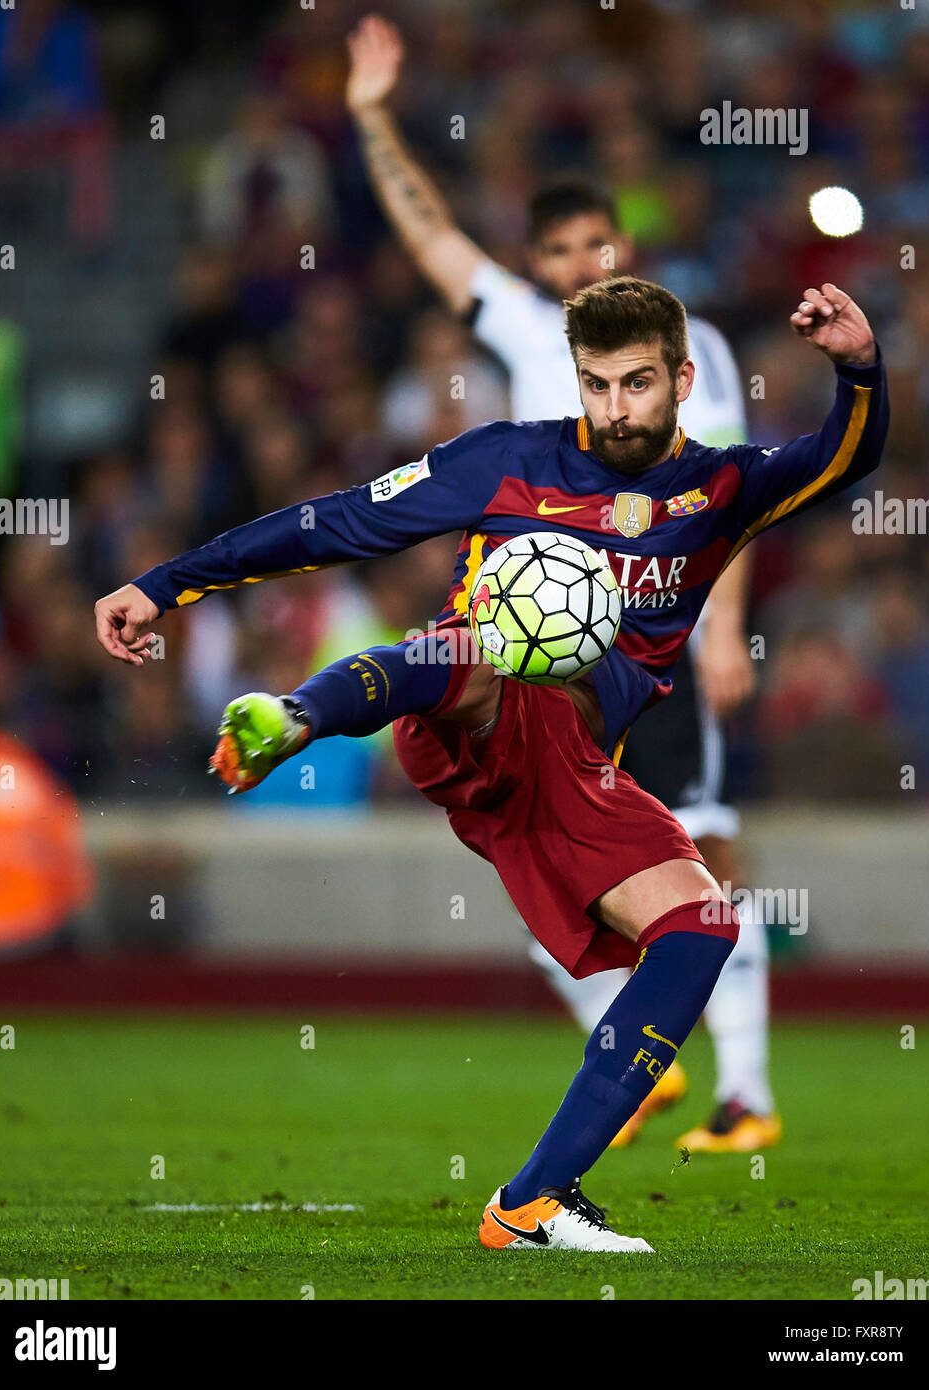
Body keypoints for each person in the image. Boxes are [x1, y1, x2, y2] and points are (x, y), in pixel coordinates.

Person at [97, 277, 885, 1250]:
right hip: (462, 710)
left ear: (681, 378)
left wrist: (856, 368)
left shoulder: (721, 488)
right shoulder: (504, 460)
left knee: (697, 927)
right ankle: (297, 714)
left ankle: (532, 1200)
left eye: (637, 384)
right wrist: (164, 584)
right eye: (595, 385)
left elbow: (843, 458)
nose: (614, 409)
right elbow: (331, 522)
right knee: (471, 650)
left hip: (573, 764)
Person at [345, 12, 775, 1149]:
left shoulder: (686, 351)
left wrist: (722, 628)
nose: (581, 264)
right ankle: (636, 1053)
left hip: (649, 645)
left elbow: (720, 502)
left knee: (702, 848)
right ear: (537, 266)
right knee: (547, 863)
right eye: (559, 252)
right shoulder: (528, 335)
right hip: (539, 651)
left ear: (621, 242)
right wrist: (369, 116)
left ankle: (747, 1093)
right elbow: (431, 234)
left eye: (596, 243)